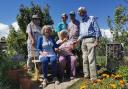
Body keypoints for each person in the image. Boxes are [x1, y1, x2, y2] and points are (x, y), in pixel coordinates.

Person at [76, 7, 101, 80]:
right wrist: (77, 41)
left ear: (84, 12)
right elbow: (81, 34)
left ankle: (93, 77)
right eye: (79, 12)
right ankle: (86, 75)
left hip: (91, 39)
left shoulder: (91, 18)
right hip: (83, 41)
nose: (80, 13)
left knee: (91, 58)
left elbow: (97, 29)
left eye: (81, 12)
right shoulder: (81, 22)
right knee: (84, 59)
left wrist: (97, 40)